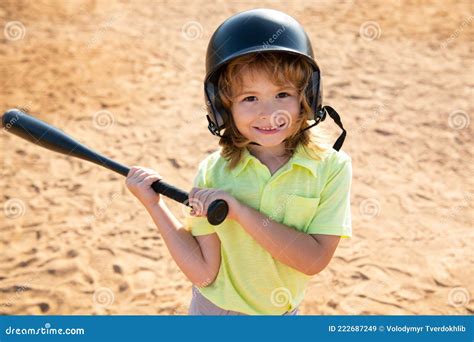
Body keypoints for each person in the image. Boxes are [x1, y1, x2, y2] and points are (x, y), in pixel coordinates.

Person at [126, 8, 352, 315]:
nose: (269, 113)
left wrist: (240, 212)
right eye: (249, 98)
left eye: (283, 94)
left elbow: (313, 260)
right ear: (223, 108)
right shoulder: (214, 172)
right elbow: (204, 273)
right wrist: (155, 206)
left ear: (307, 98)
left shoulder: (331, 168)